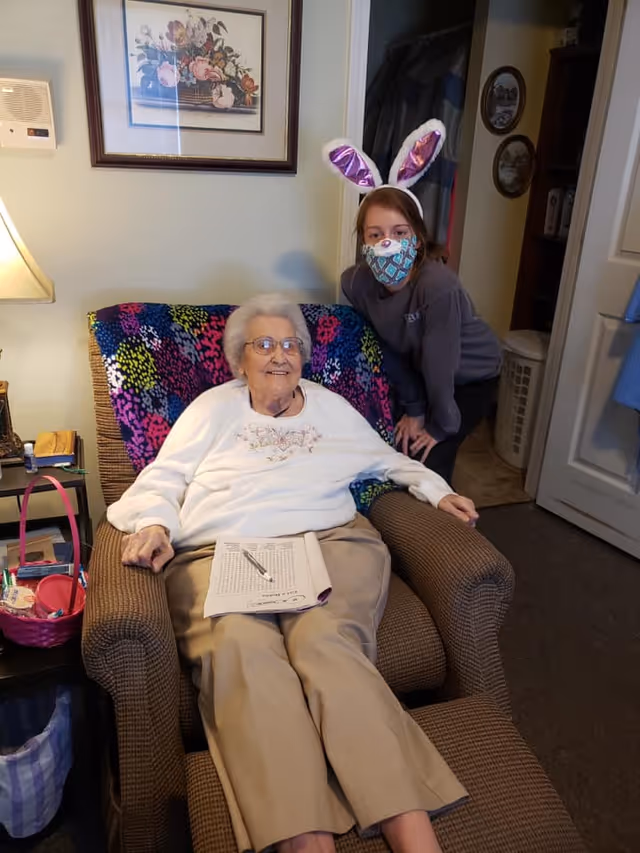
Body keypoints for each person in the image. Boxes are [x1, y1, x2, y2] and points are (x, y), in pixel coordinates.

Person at [107, 293, 476, 853]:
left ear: (304, 356)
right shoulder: (210, 409)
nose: (279, 355)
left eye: (290, 345)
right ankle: (304, 838)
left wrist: (436, 490)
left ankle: (411, 830)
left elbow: (388, 459)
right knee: (242, 652)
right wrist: (155, 524)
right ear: (239, 360)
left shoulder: (331, 408)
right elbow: (164, 476)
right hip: (220, 552)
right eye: (264, 344)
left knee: (326, 644)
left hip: (328, 543)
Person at [325, 122, 503, 484]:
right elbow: (387, 348)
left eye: (399, 233)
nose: (387, 243)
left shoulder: (438, 286)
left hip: (471, 375)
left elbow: (441, 362)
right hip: (421, 372)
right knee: (394, 444)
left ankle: (440, 512)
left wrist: (438, 425)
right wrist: (414, 407)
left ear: (418, 238)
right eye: (375, 234)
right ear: (363, 242)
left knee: (429, 456)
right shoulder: (356, 284)